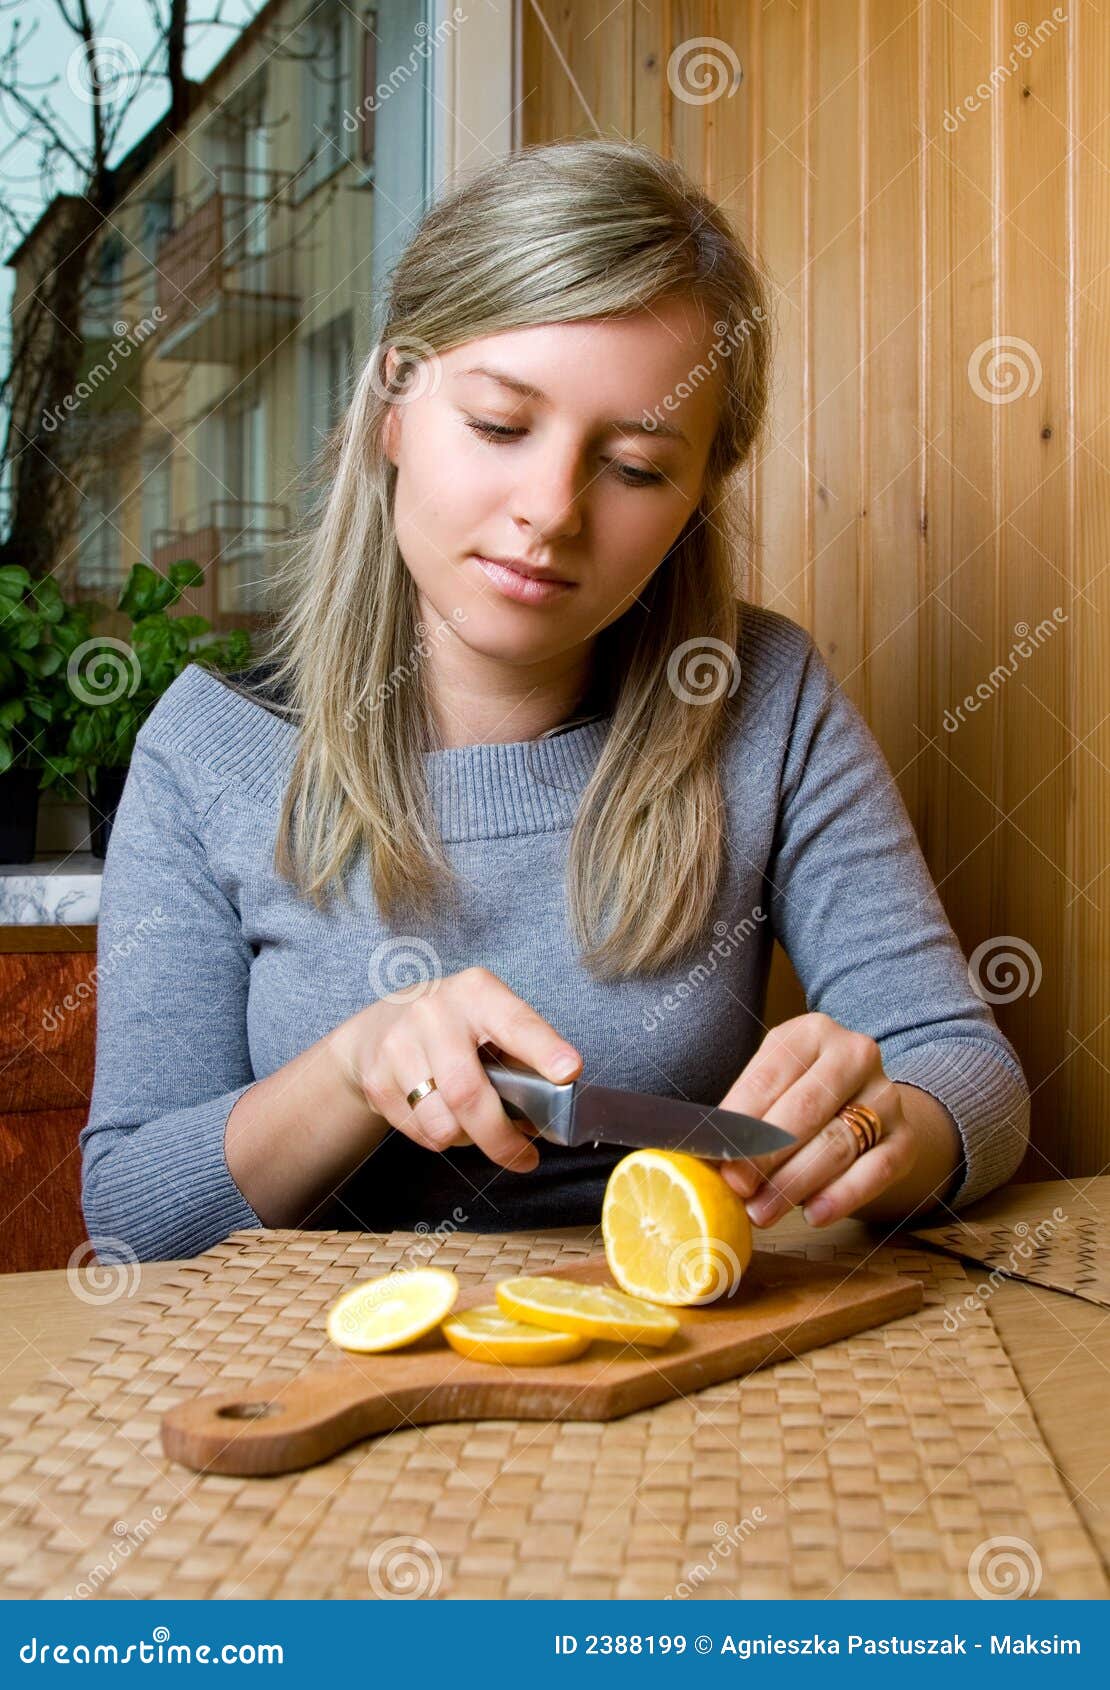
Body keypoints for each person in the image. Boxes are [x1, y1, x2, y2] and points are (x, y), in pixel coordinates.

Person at [79, 140, 1030, 1263]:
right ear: (392, 406)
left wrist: (884, 1124)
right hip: (312, 1383)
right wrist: (351, 1068)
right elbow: (132, 1215)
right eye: (497, 424)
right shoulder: (207, 749)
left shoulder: (761, 695)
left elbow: (969, 1075)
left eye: (633, 467)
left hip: (678, 1375)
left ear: (694, 500)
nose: (550, 512)